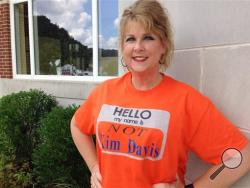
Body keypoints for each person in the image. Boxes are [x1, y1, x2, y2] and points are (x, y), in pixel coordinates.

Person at [70, 0, 250, 188]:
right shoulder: (104, 92)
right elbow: (77, 125)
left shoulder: (185, 100)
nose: (138, 47)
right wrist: (94, 166)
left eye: (148, 37)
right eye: (130, 39)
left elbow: (240, 156)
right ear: (123, 47)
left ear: (163, 45)